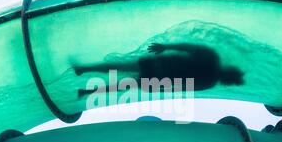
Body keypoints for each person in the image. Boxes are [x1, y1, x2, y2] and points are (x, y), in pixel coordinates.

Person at [74, 43, 244, 96]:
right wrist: (160, 88)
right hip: (161, 74)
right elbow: (182, 87)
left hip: (161, 68)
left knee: (121, 71)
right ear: (228, 80)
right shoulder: (210, 77)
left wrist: (165, 46)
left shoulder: (212, 60)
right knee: (124, 81)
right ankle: (87, 88)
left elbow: (188, 48)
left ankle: (85, 73)